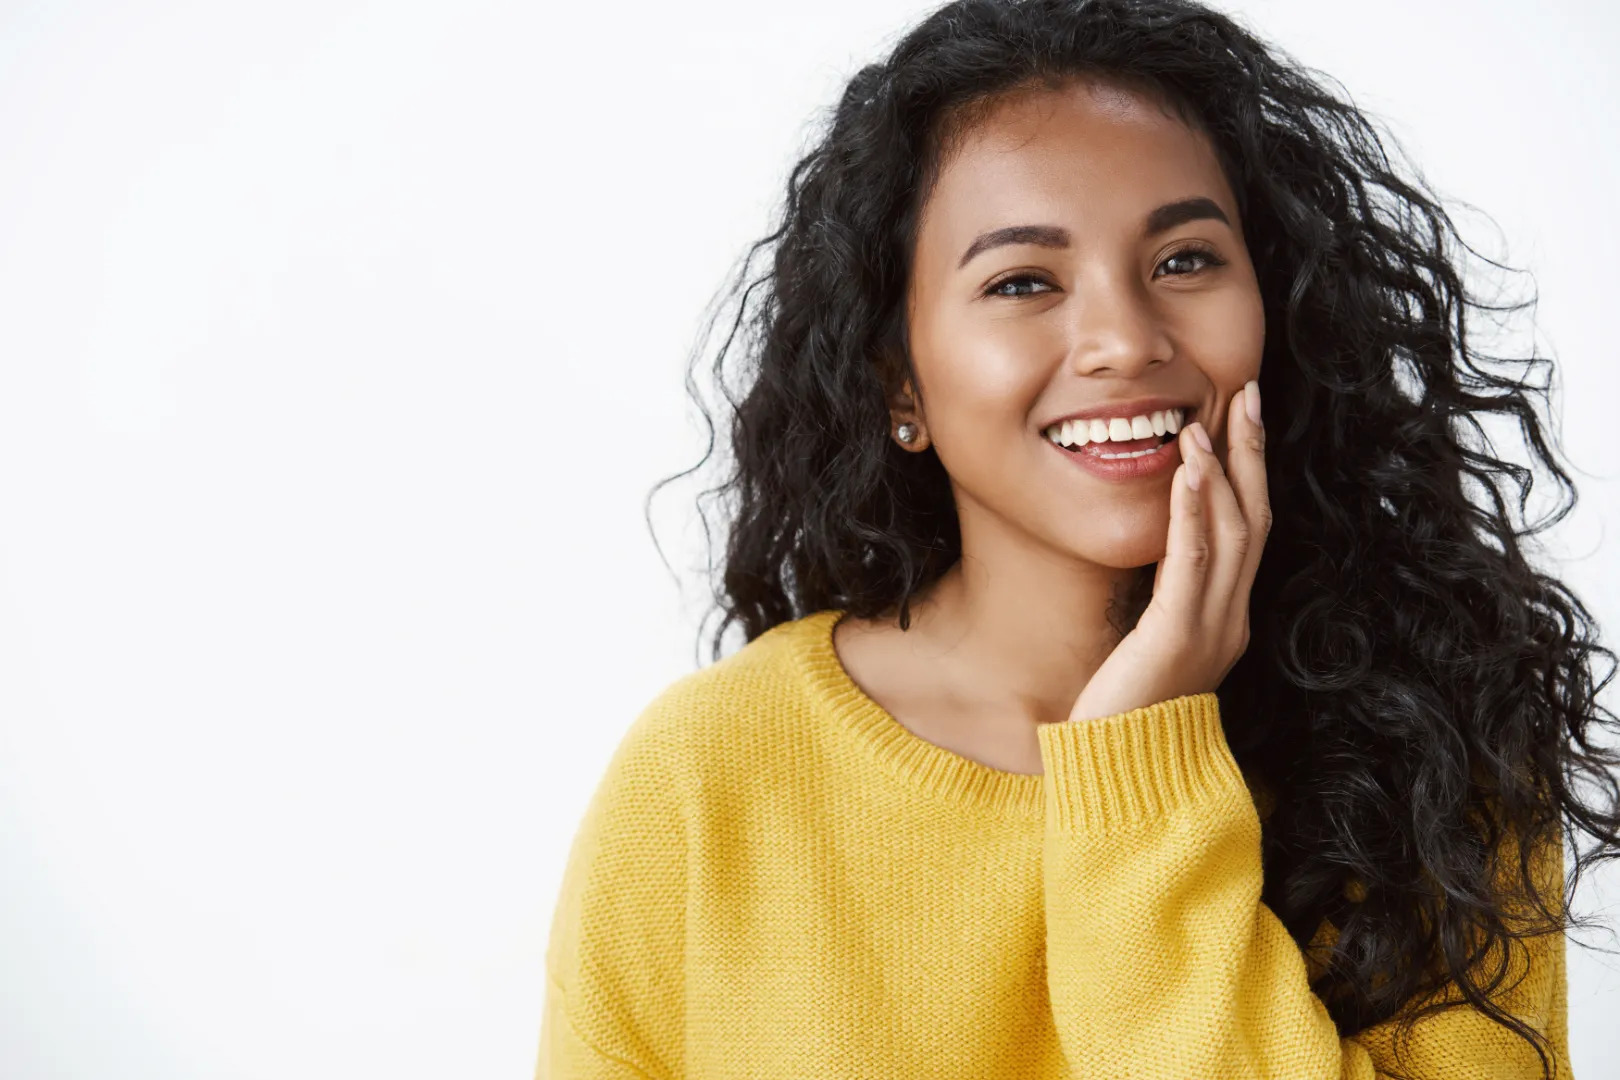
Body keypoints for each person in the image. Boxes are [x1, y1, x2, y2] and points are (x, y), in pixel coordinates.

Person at [536, 1, 1620, 1076]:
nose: (1124, 341)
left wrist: (1143, 759)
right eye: (1022, 282)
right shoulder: (707, 778)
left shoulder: (1439, 750)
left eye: (1185, 260)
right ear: (899, 382)